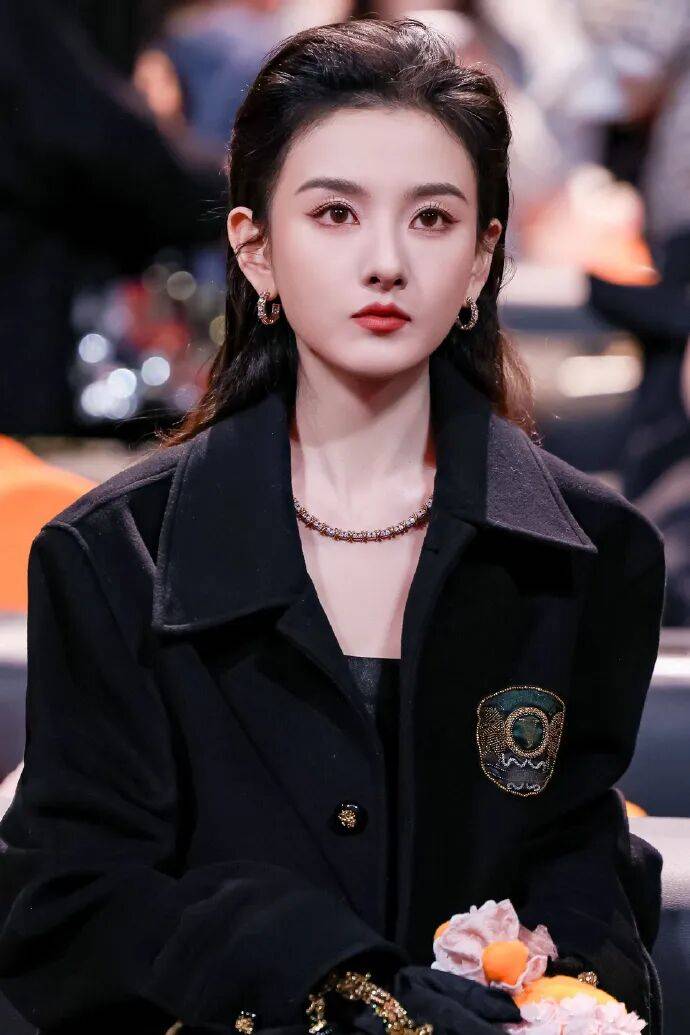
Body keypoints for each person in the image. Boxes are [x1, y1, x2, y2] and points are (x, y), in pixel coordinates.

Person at [0, 16, 665, 1035]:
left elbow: (580, 849)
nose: (386, 261)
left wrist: (562, 976)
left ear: (483, 257)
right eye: (336, 214)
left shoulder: (591, 552)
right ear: (255, 248)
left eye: (433, 218)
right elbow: (72, 904)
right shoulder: (115, 555)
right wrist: (333, 979)